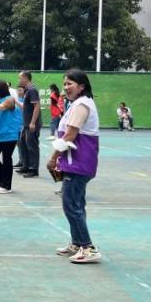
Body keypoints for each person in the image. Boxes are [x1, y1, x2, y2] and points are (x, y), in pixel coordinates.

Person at [47, 69, 101, 264]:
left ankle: (88, 247)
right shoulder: (78, 104)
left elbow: (70, 135)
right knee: (76, 203)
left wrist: (53, 158)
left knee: (71, 204)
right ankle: (77, 243)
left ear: (82, 86)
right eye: (65, 84)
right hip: (75, 162)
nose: (66, 87)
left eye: (70, 83)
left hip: (79, 162)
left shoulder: (81, 105)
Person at [17, 71, 42, 177]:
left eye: (20, 78)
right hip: (26, 123)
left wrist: (32, 123)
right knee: (23, 143)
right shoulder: (28, 90)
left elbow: (37, 106)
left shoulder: (32, 90)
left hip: (31, 124)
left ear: (26, 78)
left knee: (32, 146)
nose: (19, 80)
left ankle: (33, 169)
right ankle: (26, 166)